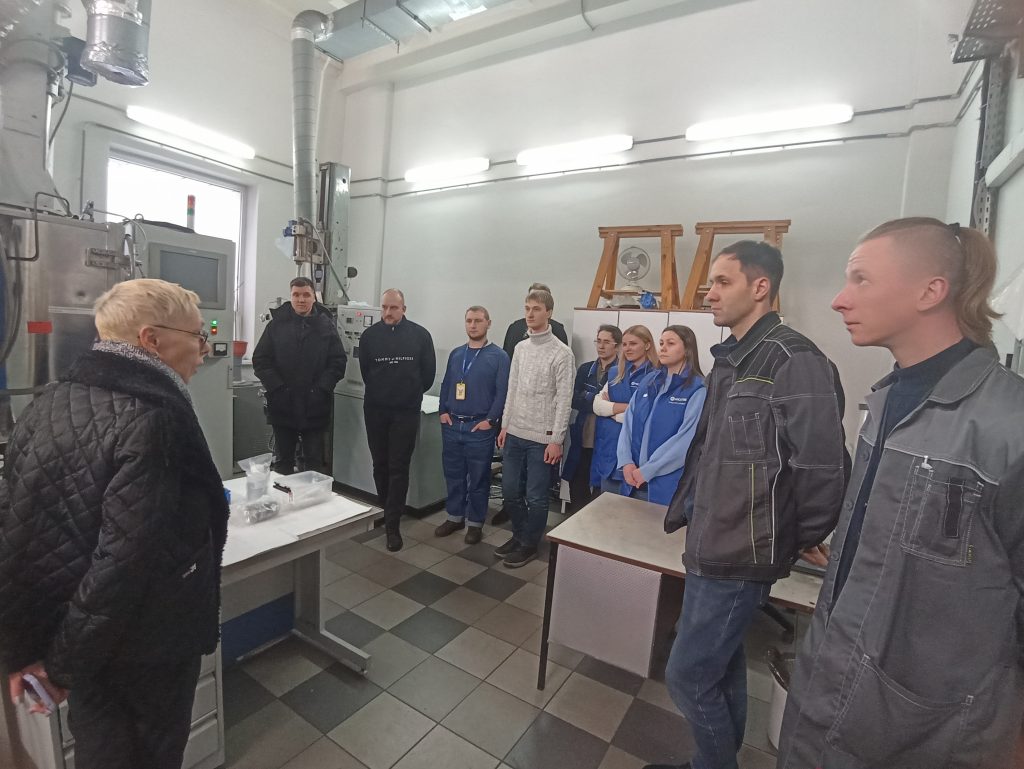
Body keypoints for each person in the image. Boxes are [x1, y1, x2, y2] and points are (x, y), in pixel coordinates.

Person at [778, 219, 1024, 769]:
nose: (840, 300)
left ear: (930, 291)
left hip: (928, 728)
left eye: (861, 279)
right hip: (835, 678)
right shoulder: (885, 402)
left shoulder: (1009, 426)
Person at [0, 279, 229, 769]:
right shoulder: (152, 417)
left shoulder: (48, 402)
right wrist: (61, 665)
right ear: (151, 340)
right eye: (197, 336)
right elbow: (124, 562)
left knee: (101, 750)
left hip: (84, 642)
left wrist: (27, 649)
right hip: (144, 645)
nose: (204, 349)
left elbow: (17, 533)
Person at [648, 241, 848, 769]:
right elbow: (710, 453)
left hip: (742, 552)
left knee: (687, 676)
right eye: (709, 283)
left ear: (761, 288)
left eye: (722, 282)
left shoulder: (794, 360)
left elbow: (824, 469)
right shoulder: (732, 360)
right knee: (721, 664)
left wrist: (792, 538)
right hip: (712, 538)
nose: (709, 294)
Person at [496, 288, 575, 567]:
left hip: (542, 437)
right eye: (527, 308)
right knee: (509, 491)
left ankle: (529, 544)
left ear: (549, 312)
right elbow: (512, 389)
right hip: (515, 431)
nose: (530, 314)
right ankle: (519, 535)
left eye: (536, 309)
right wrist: (505, 425)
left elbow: (564, 399)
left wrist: (556, 439)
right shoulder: (520, 348)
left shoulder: (562, 353)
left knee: (536, 496)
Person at [358, 288, 435, 552]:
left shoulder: (420, 336)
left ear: (404, 309)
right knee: (379, 464)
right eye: (384, 307)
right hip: (376, 410)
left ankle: (393, 525)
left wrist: (408, 394)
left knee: (398, 467)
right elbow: (366, 372)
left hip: (406, 411)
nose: (388, 312)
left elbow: (428, 375)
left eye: (393, 308)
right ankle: (385, 508)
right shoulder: (369, 336)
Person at [252, 276, 347, 474]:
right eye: (296, 295)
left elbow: (337, 362)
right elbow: (260, 360)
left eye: (306, 295)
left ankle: (311, 494)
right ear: (291, 297)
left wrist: (321, 389)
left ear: (314, 297)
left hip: (315, 405)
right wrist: (278, 388)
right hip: (283, 404)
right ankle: (282, 493)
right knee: (283, 463)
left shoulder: (326, 326)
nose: (301, 300)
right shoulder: (276, 326)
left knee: (313, 463)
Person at [436, 306, 510, 545]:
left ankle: (475, 523)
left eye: (478, 320)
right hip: (453, 424)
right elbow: (447, 384)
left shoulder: (499, 357)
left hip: (479, 428)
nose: (473, 325)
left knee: (478, 479)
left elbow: (502, 392)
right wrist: (443, 411)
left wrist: (491, 421)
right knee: (453, 475)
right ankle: (455, 516)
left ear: (488, 323)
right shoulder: (457, 354)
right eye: (469, 320)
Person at [611, 326, 706, 505]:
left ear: (687, 349)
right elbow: (628, 424)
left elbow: (686, 440)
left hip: (666, 484)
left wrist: (649, 470)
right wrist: (626, 461)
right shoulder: (649, 381)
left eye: (670, 343)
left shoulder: (697, 389)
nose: (663, 348)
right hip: (633, 478)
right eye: (661, 343)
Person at [592, 324, 659, 493]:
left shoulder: (657, 376)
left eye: (633, 344)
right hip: (609, 451)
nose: (627, 348)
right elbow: (597, 406)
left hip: (636, 455)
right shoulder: (616, 372)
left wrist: (612, 413)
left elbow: (645, 418)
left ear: (647, 345)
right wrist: (628, 408)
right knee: (605, 506)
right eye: (625, 344)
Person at [561, 324, 621, 512]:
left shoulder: (621, 373)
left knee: (601, 491)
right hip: (583, 435)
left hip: (606, 440)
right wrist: (600, 404)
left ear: (617, 346)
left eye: (607, 342)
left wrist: (590, 398)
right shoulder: (586, 369)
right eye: (598, 341)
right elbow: (574, 399)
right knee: (577, 485)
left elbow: (619, 407)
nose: (601, 346)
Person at [501, 282, 569, 358]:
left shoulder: (558, 331)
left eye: (537, 308)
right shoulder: (514, 329)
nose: (530, 314)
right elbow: (507, 358)